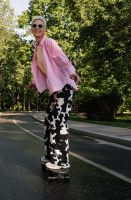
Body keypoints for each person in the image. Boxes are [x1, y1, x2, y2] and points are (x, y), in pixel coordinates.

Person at [28, 16, 80, 171]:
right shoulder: (37, 48)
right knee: (49, 121)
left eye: (40, 26)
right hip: (55, 90)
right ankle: (51, 156)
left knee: (58, 123)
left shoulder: (49, 43)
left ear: (45, 29)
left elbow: (61, 59)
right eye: (34, 25)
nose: (37, 27)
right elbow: (44, 71)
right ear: (31, 29)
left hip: (64, 88)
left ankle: (62, 161)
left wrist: (72, 71)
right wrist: (34, 83)